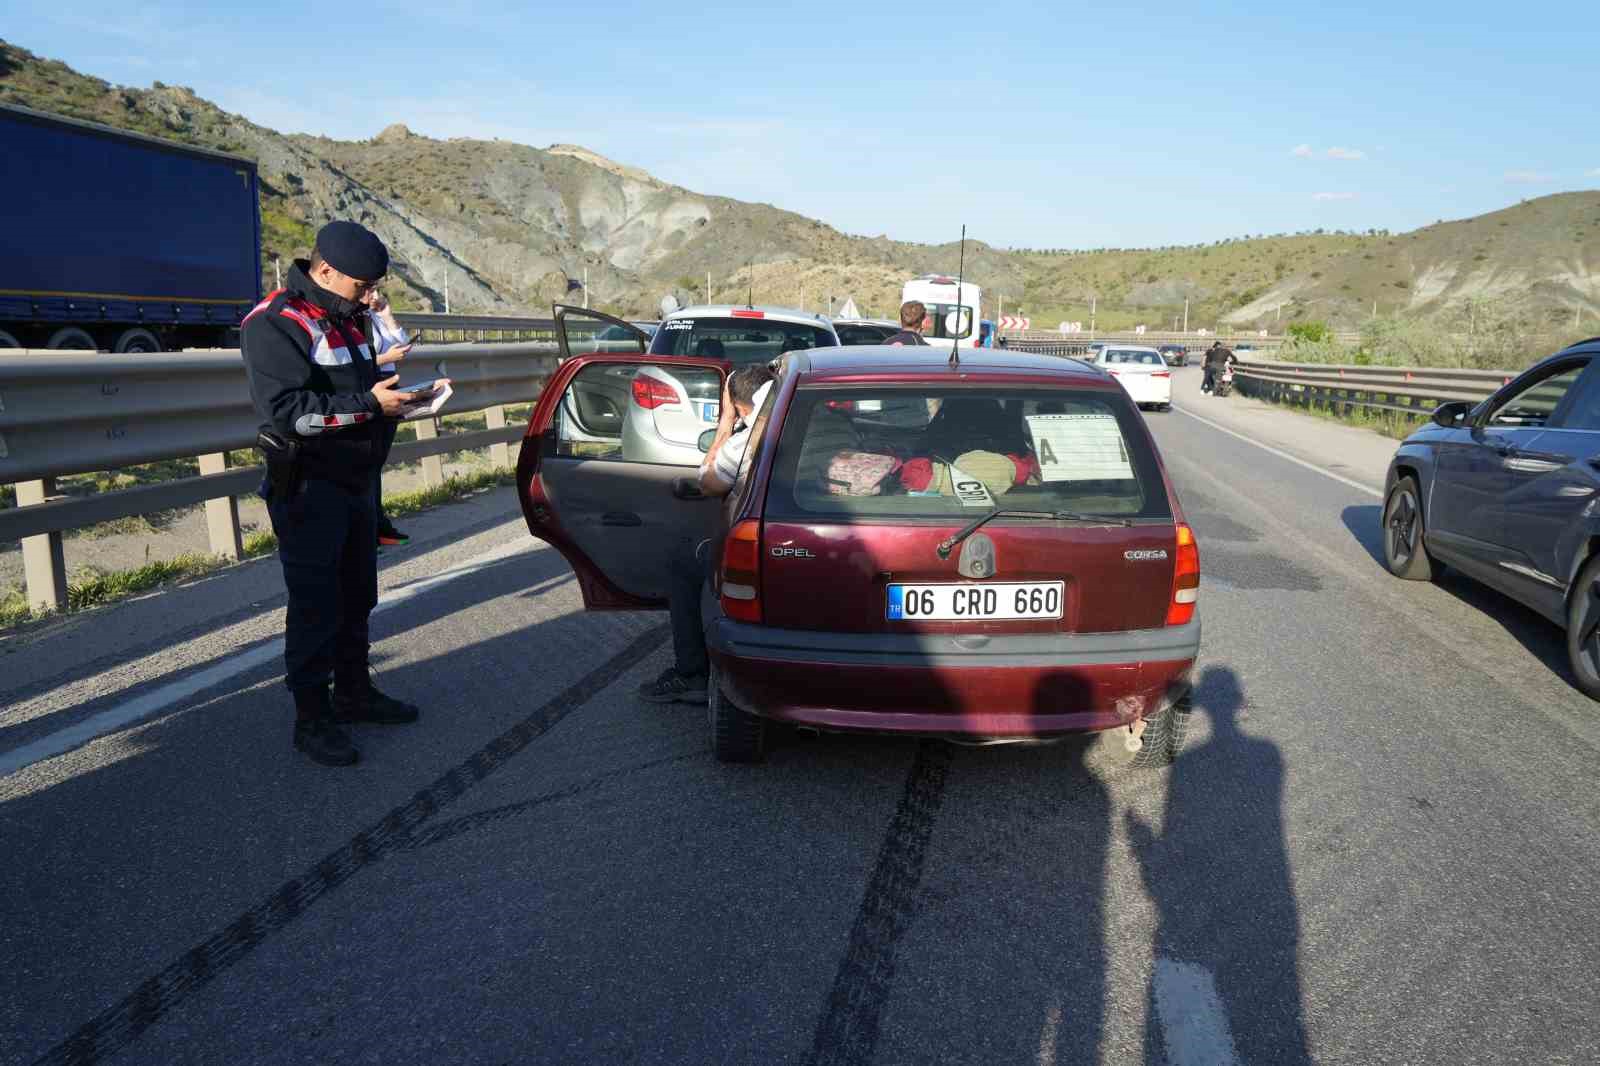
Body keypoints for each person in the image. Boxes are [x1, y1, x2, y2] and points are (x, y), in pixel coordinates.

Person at [242, 221, 443, 766]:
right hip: (309, 484)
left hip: (358, 479)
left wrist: (402, 399)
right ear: (326, 271)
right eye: (363, 286)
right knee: (317, 604)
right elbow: (289, 415)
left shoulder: (350, 315)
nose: (369, 296)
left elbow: (369, 379)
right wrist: (373, 406)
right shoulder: (276, 322)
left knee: (358, 594)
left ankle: (354, 692)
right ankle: (311, 718)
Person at [638, 362, 777, 704]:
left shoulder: (742, 444)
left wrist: (725, 424)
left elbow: (708, 482)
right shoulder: (824, 426)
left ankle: (691, 674)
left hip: (767, 546)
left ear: (738, 404)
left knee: (682, 560)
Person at [362, 288, 414, 547]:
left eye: (376, 288)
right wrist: (386, 358)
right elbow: (355, 362)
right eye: (368, 288)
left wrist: (387, 315)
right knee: (369, 460)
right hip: (373, 386)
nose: (374, 294)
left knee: (378, 459)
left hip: (389, 383)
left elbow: (401, 343)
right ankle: (372, 528)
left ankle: (378, 525)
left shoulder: (374, 316)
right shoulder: (353, 320)